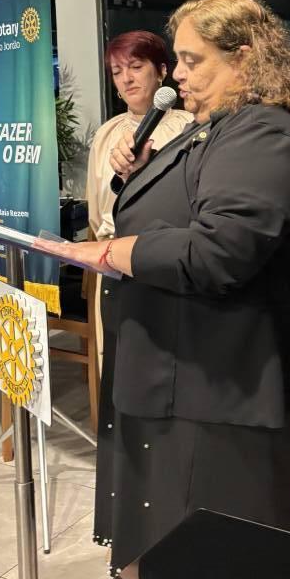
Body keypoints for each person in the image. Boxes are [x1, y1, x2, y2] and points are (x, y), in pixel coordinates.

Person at [40, 0, 290, 575]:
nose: (177, 74)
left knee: (216, 562)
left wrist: (110, 251)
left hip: (222, 376)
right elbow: (184, 201)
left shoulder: (264, 134)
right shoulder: (215, 126)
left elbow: (220, 250)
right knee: (168, 539)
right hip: (181, 360)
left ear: (245, 58)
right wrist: (141, 172)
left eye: (192, 60)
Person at [86, 31, 192, 369]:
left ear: (161, 71)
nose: (126, 79)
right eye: (117, 72)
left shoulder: (189, 128)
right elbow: (96, 212)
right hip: (113, 264)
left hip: (167, 265)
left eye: (135, 67)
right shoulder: (105, 135)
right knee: (119, 365)